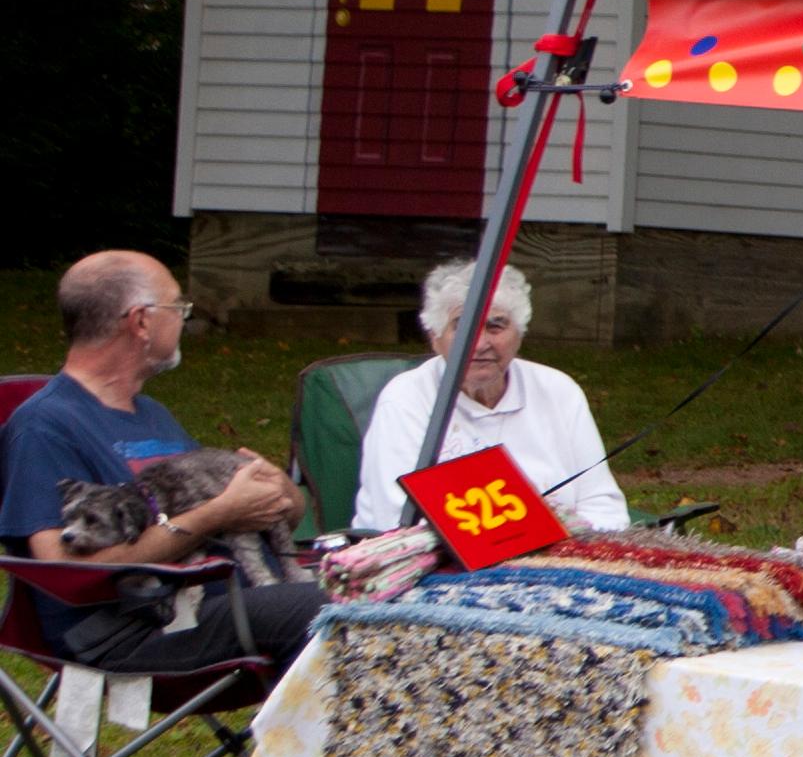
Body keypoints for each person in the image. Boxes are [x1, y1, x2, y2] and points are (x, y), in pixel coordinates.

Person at [8, 256, 317, 679]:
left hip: (230, 597)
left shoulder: (150, 413)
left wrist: (278, 491)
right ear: (140, 322)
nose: (184, 321)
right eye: (178, 309)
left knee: (382, 590)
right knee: (329, 612)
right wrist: (219, 513)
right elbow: (65, 566)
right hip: (132, 627)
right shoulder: (44, 425)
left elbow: (269, 513)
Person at [344, 261, 630, 535]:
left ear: (519, 334)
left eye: (496, 326)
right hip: (438, 570)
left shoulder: (558, 390)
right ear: (435, 336)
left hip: (563, 562)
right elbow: (398, 522)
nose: (480, 344)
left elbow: (603, 506)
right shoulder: (406, 400)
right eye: (463, 326)